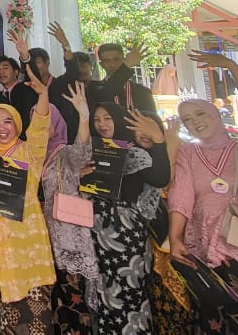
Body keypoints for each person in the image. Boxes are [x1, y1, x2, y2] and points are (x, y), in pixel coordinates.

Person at [169, 51, 238, 333]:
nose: (195, 122)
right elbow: (181, 196)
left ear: (216, 114)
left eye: (200, 113)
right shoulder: (189, 153)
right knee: (219, 322)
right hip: (206, 250)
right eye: (187, 119)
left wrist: (230, 66)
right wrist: (175, 237)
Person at [87, 101, 171, 335]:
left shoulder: (135, 152)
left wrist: (160, 140)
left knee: (132, 288)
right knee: (106, 289)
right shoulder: (94, 149)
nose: (102, 124)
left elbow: (160, 178)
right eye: (97, 119)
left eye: (108, 118)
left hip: (127, 234)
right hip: (99, 232)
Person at [0, 75, 56, 334]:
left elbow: (40, 128)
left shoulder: (29, 151)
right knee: (8, 322)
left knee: (37, 321)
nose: (1, 127)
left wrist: (43, 95)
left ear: (17, 124)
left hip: (29, 244)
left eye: (8, 121)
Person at [40, 85, 98, 335]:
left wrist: (84, 116)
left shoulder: (64, 153)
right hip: (42, 233)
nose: (42, 126)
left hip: (67, 233)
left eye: (46, 121)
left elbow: (82, 152)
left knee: (72, 293)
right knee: (53, 298)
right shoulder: (31, 154)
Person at [89, 43, 156, 113]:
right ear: (101, 65)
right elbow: (107, 93)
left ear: (123, 60)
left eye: (116, 59)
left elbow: (153, 118)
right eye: (107, 61)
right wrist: (127, 66)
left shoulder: (143, 92)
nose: (113, 64)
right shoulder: (94, 88)